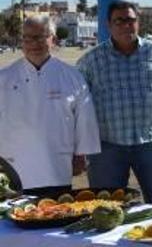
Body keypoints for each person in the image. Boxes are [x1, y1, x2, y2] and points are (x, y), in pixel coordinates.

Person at [77, 0, 152, 205]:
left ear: (138, 23)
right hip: (106, 147)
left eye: (130, 20)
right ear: (109, 25)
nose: (125, 25)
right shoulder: (91, 60)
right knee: (105, 207)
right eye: (119, 21)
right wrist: (81, 145)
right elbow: (78, 106)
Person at [0, 16, 100, 196]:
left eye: (39, 37)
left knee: (54, 214)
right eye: (27, 38)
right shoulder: (4, 77)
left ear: (52, 39)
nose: (33, 44)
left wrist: (81, 155)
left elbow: (85, 118)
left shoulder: (72, 76)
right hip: (12, 165)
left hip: (56, 164)